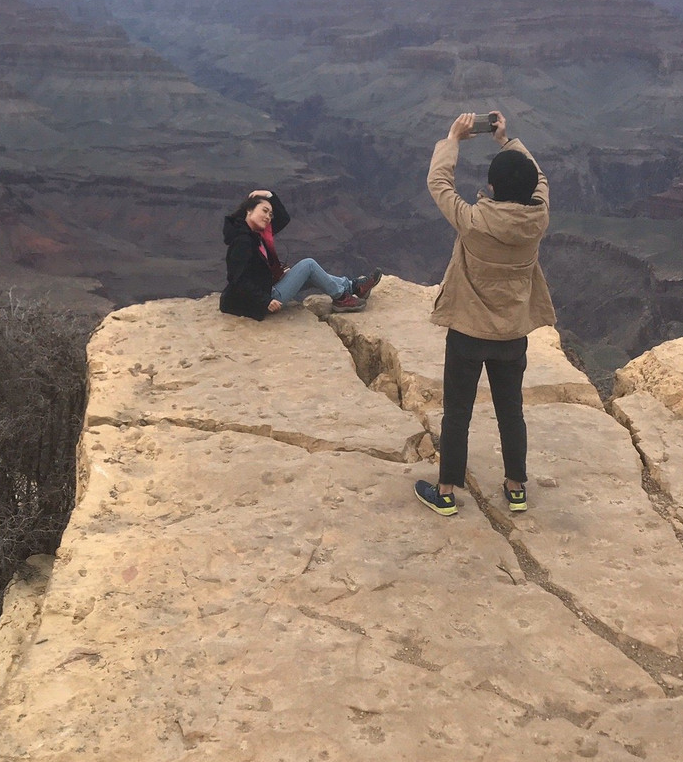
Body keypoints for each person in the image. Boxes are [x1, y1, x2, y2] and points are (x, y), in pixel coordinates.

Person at [414, 111, 555, 516]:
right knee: (511, 410)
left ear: (491, 188)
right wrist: (507, 141)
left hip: (468, 333)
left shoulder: (474, 221)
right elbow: (540, 178)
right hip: (512, 335)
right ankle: (515, 488)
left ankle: (445, 493)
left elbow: (438, 183)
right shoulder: (538, 218)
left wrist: (453, 139)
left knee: (457, 413)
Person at [219, 189, 381, 320]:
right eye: (264, 211)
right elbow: (237, 279)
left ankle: (353, 287)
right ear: (248, 210)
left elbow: (283, 218)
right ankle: (341, 298)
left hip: (265, 288)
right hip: (257, 302)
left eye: (270, 214)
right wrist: (265, 301)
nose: (268, 217)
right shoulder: (243, 241)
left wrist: (268, 195)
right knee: (308, 265)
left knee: (311, 274)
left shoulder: (256, 234)